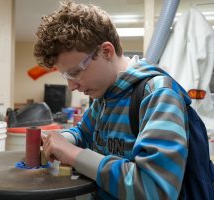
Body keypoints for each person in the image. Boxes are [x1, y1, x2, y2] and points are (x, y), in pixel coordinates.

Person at [34, 1, 191, 199]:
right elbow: (84, 133)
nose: (72, 86)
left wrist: (73, 155)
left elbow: (155, 189)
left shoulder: (158, 95)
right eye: (66, 76)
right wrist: (59, 140)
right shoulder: (104, 97)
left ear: (106, 52)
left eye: (75, 72)